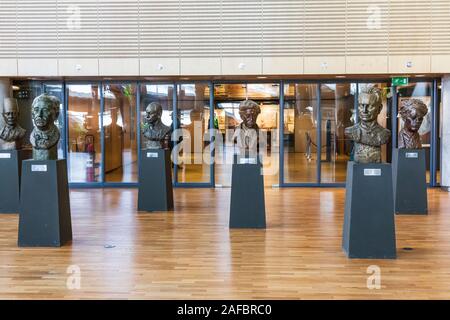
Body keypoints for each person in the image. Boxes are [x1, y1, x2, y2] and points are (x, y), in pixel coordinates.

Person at [345, 86, 390, 163]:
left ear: (379, 108)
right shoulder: (350, 131)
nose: (364, 110)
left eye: (370, 106)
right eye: (361, 105)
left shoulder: (385, 134)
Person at [30, 93, 61, 160]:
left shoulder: (55, 134)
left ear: (56, 115)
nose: (39, 115)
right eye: (36, 110)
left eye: (45, 110)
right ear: (32, 114)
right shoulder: (33, 136)